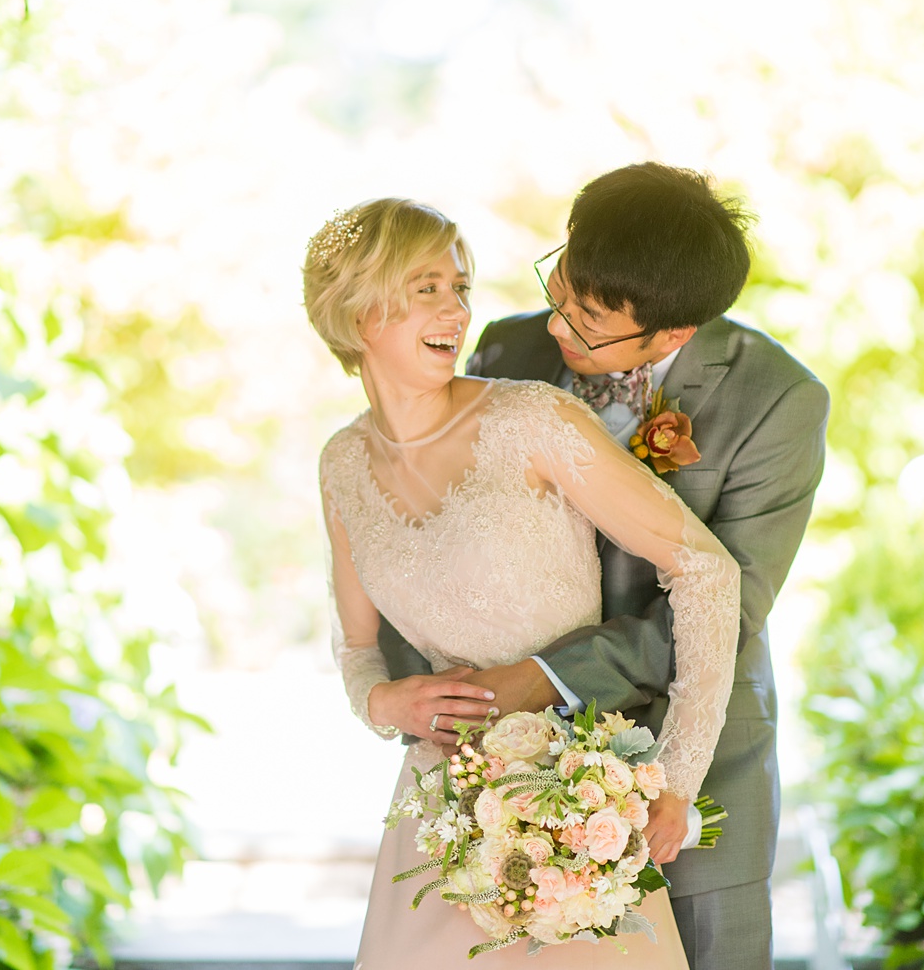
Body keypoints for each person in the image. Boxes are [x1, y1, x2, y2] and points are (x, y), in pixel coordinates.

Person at [378, 163, 831, 970]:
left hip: (689, 755)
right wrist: (435, 696)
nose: (557, 326)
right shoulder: (505, 348)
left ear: (672, 335)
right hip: (506, 770)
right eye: (561, 288)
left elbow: (733, 602)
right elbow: (430, 526)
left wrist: (544, 675)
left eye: (587, 320)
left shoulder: (776, 399)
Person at [306, 196, 743, 968]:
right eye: (426, 287)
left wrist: (676, 778)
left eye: (461, 285)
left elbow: (705, 567)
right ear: (357, 310)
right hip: (437, 823)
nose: (457, 308)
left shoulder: (532, 420)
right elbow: (356, 643)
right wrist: (380, 700)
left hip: (577, 816)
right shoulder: (340, 462)